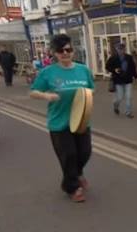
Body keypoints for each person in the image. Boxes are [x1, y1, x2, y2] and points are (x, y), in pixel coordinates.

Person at [28, 34, 96, 203]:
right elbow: (32, 92)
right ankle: (73, 188)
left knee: (85, 152)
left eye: (68, 49)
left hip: (81, 118)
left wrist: (84, 96)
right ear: (55, 53)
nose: (65, 53)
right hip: (59, 122)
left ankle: (75, 175)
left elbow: (91, 89)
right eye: (61, 50)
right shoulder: (47, 72)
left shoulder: (83, 70)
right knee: (69, 155)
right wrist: (47, 96)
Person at [105, 43, 137, 118]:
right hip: (118, 80)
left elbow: (133, 67)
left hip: (128, 80)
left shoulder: (129, 58)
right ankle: (115, 105)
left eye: (122, 49)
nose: (120, 51)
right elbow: (107, 66)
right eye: (119, 49)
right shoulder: (113, 58)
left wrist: (135, 75)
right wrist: (114, 70)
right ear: (116, 49)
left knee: (128, 96)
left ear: (124, 49)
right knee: (119, 97)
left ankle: (128, 112)